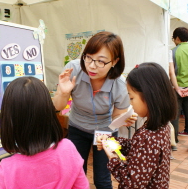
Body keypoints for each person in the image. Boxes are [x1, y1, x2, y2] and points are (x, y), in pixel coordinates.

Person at [53, 31, 137, 189]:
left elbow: (117, 117)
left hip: (105, 133)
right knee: (75, 174)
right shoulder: (73, 69)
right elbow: (58, 107)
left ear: (114, 61)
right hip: (77, 127)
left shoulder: (120, 84)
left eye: (101, 61)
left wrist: (123, 120)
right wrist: (63, 93)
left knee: (102, 179)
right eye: (89, 57)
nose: (91, 66)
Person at [0, 77, 89, 189]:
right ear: (48, 112)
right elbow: (82, 186)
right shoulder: (68, 148)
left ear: (8, 120)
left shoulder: (8, 168)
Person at [97, 62, 178, 188]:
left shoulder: (148, 136)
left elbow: (132, 183)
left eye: (132, 98)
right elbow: (140, 149)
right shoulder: (161, 126)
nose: (131, 104)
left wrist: (113, 158)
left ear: (148, 96)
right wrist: (113, 141)